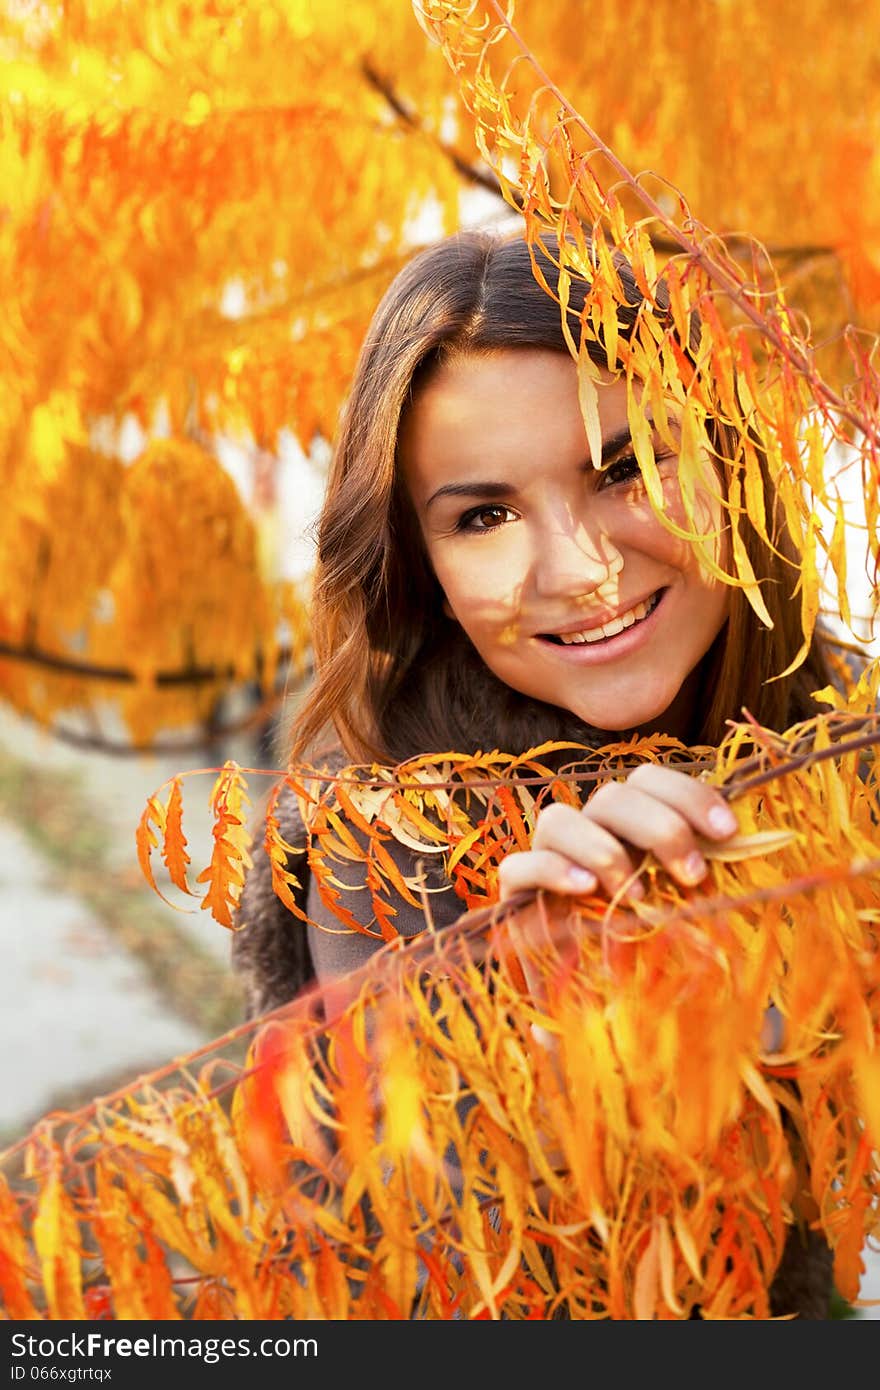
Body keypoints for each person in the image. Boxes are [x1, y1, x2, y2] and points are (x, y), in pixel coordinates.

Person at [232, 228, 845, 1317]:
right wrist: (542, 1032)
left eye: (627, 468)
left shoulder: (839, 736)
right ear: (420, 566)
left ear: (729, 457)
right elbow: (432, 1246)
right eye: (485, 515)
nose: (581, 570)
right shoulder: (385, 834)